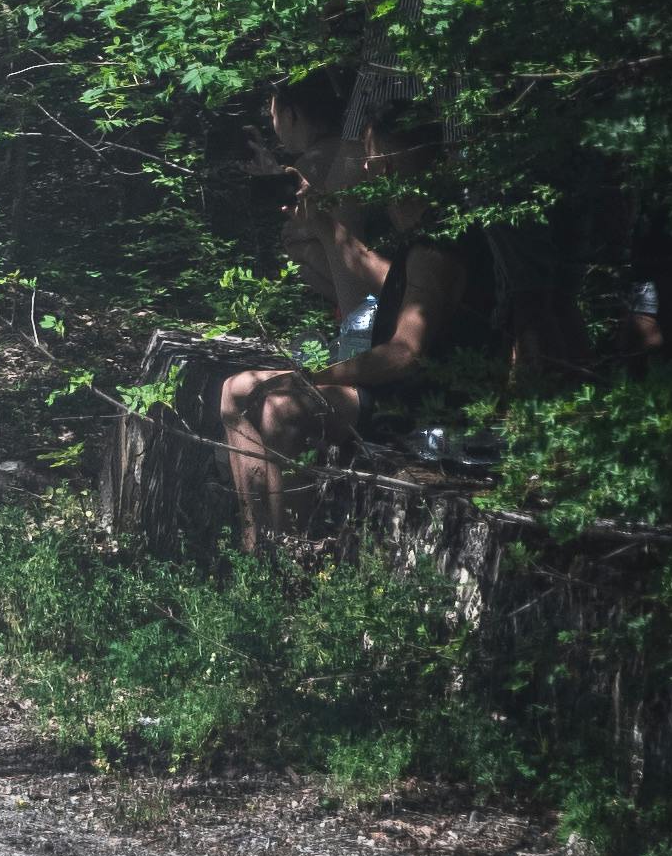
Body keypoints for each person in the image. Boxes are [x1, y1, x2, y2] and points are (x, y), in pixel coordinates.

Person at [208, 80, 497, 540]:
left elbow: (405, 355)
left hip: (422, 399)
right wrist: (326, 232)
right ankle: (256, 550)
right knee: (235, 389)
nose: (365, 166)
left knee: (282, 408)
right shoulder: (413, 238)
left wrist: (316, 378)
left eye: (377, 156)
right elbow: (366, 293)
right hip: (394, 385)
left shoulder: (438, 244)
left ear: (410, 162)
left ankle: (292, 555)